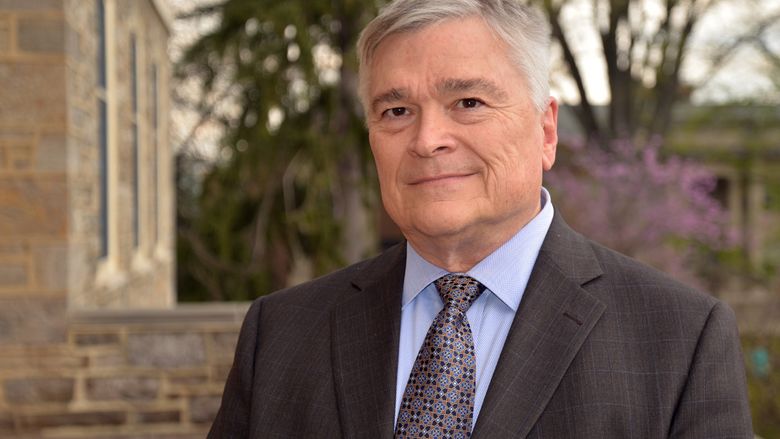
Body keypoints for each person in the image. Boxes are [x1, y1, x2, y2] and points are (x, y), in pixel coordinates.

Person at [208, 0, 753, 437]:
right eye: (396, 111)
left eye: (468, 102)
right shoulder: (278, 335)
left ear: (545, 131)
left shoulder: (680, 339)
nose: (426, 140)